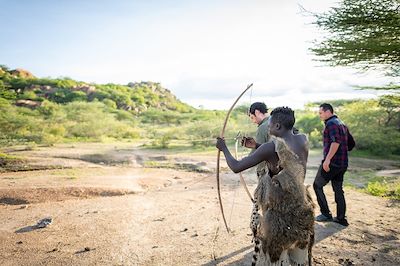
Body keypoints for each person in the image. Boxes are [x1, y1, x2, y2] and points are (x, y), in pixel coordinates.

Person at [216, 107, 314, 266]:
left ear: (277, 127)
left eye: (270, 124)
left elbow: (236, 166)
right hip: (302, 207)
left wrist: (224, 148)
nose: (267, 127)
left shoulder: (269, 148)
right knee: (299, 258)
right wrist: (257, 146)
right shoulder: (303, 139)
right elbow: (283, 155)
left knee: (275, 257)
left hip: (280, 215)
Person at [313, 103, 349, 226]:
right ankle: (341, 218)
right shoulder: (342, 123)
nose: (320, 115)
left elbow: (335, 142)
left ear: (328, 112)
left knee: (317, 185)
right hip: (343, 163)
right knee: (338, 189)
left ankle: (326, 214)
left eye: (321, 113)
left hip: (332, 163)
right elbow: (351, 143)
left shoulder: (331, 124)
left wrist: (328, 159)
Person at [241, 102, 270, 178]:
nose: (253, 121)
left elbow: (258, 152)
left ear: (257, 112)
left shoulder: (263, 127)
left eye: (252, 117)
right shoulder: (278, 122)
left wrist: (241, 164)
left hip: (267, 172)